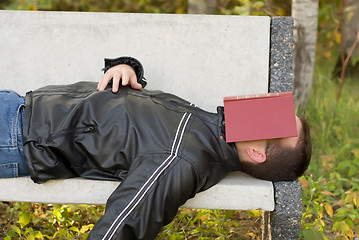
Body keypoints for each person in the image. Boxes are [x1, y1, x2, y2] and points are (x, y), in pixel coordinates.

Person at [0, 56, 311, 240]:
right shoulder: (208, 126)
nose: (270, 110)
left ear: (257, 153)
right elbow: (139, 118)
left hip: (18, 135)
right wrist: (127, 68)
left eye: (277, 122)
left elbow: (124, 224)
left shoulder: (183, 161)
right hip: (19, 104)